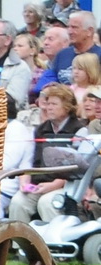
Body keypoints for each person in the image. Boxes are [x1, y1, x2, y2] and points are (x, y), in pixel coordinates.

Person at [8, 84, 86, 222]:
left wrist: (55, 184)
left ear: (67, 106)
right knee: (18, 202)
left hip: (65, 185)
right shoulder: (40, 130)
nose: (48, 107)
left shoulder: (79, 130)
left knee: (47, 202)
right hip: (39, 183)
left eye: (54, 104)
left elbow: (80, 168)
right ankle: (19, 243)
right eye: (48, 103)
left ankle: (52, 242)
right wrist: (24, 181)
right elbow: (30, 159)